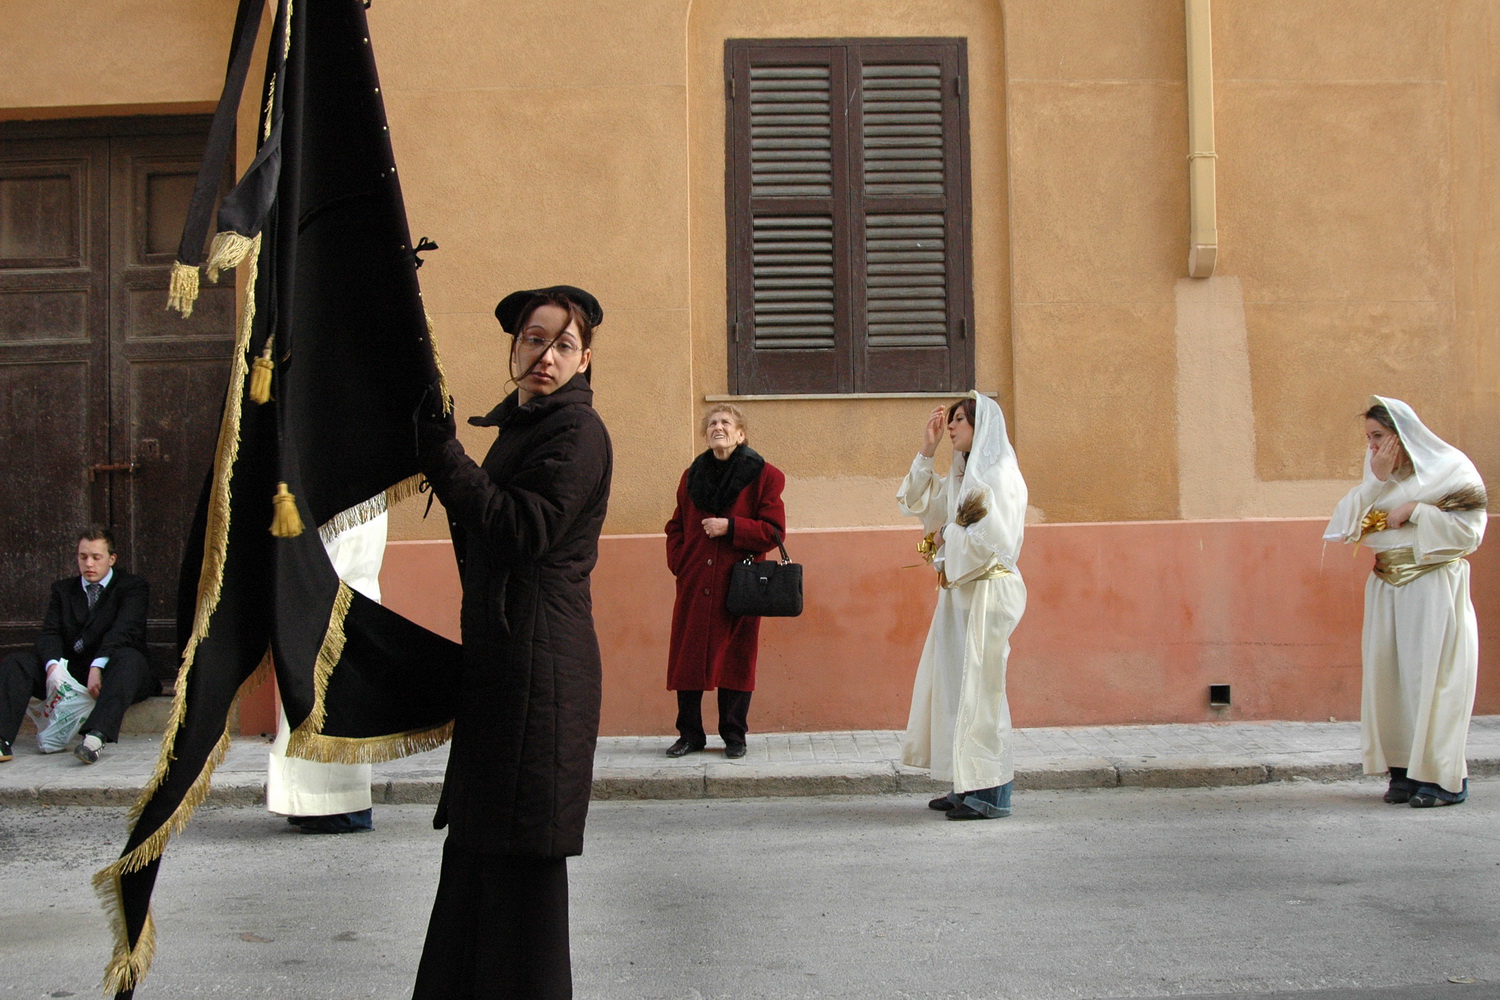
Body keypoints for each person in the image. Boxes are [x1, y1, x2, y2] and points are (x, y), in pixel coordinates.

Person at [412, 285, 613, 999]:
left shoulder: (576, 433)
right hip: (506, 662)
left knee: (522, 863)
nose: (546, 355)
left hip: (541, 668)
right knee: (476, 853)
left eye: (563, 344)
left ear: (584, 358)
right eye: (535, 339)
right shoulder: (526, 425)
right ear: (515, 349)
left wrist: (446, 459)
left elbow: (522, 528)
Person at [1324, 396, 1486, 808]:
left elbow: (1470, 532)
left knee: (1433, 680)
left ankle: (1444, 778)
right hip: (1386, 587)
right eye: (1369, 439)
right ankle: (1403, 771)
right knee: (1391, 681)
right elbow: (1346, 527)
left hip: (1432, 586)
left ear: (1402, 436)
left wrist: (1417, 510)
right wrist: (1376, 482)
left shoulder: (1451, 468)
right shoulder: (1377, 476)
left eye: (1379, 437)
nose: (1373, 448)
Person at [898, 392, 1027, 820]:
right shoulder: (961, 473)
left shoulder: (1000, 474)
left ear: (981, 426)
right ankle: (965, 782)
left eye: (958, 420)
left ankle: (993, 795)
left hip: (989, 592)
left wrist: (946, 536)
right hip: (960, 592)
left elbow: (994, 541)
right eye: (949, 420)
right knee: (955, 685)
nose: (951, 426)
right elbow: (920, 503)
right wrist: (927, 449)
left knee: (983, 691)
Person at [663, 404, 786, 759]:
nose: (718, 427)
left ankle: (734, 736)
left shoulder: (765, 476)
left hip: (740, 585)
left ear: (740, 434)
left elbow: (774, 531)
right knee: (688, 658)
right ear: (706, 434)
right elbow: (675, 526)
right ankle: (690, 734)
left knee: (736, 659)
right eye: (712, 423)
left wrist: (730, 527)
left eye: (726, 423)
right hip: (695, 580)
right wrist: (680, 562)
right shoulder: (691, 476)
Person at [265, 509, 386, 835]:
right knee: (310, 710)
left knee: (333, 715)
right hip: (334, 602)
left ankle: (342, 809)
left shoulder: (352, 492)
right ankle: (307, 805)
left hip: (333, 604)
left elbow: (333, 551)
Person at [0, 526, 156, 765]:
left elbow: (125, 631)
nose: (89, 564)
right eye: (83, 557)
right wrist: (54, 667)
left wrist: (99, 666)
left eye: (96, 557)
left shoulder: (132, 587)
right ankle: (2, 740)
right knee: (16, 663)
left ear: (111, 559)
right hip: (72, 674)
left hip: (113, 672)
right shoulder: (63, 590)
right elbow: (50, 633)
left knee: (130, 659)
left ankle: (95, 737)